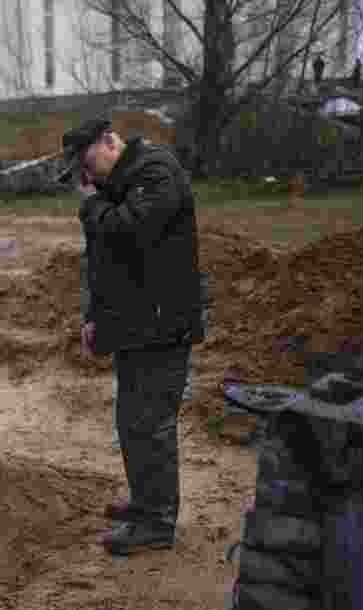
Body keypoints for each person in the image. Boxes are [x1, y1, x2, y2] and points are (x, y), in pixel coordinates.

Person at [64, 118, 206, 555]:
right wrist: (93, 317)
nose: (85, 179)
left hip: (163, 324)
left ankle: (157, 522)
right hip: (134, 324)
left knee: (152, 422)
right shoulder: (118, 185)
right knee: (131, 419)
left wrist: (90, 206)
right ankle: (145, 501)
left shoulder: (156, 172)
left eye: (86, 165)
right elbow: (105, 260)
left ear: (109, 142)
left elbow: (130, 232)